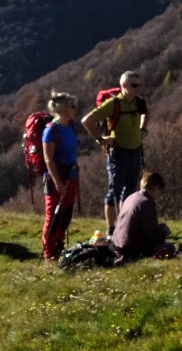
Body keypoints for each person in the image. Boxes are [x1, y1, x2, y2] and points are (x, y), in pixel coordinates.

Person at [82, 70, 148, 236]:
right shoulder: (113, 104)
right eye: (134, 85)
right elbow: (87, 120)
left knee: (131, 193)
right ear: (123, 86)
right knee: (114, 192)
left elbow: (147, 111)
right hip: (118, 154)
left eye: (139, 85)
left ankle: (125, 226)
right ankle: (111, 230)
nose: (138, 88)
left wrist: (143, 129)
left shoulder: (138, 102)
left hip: (135, 153)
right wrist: (100, 139)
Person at [41, 92, 82, 261]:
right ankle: (49, 253)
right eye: (72, 106)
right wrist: (58, 182)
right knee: (53, 215)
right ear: (64, 109)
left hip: (71, 175)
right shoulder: (50, 131)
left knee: (66, 213)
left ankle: (59, 246)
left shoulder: (70, 126)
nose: (75, 110)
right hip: (56, 177)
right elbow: (48, 159)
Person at [111, 170, 172, 262]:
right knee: (170, 247)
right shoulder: (147, 203)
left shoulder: (131, 197)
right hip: (131, 249)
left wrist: (158, 228)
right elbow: (152, 236)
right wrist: (163, 232)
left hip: (117, 245)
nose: (160, 195)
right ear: (155, 188)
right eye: (161, 191)